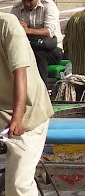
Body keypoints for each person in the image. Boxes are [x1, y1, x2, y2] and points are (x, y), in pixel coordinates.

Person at [0, 12, 53, 196]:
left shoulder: (8, 25)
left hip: (28, 112)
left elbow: (19, 72)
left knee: (18, 185)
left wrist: (18, 117)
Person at [11, 0, 63, 80]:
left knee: (38, 55)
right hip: (29, 47)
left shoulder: (49, 6)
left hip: (52, 49)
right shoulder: (17, 9)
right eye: (24, 0)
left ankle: (42, 89)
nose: (27, 3)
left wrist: (27, 30)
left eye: (31, 0)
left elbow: (49, 32)